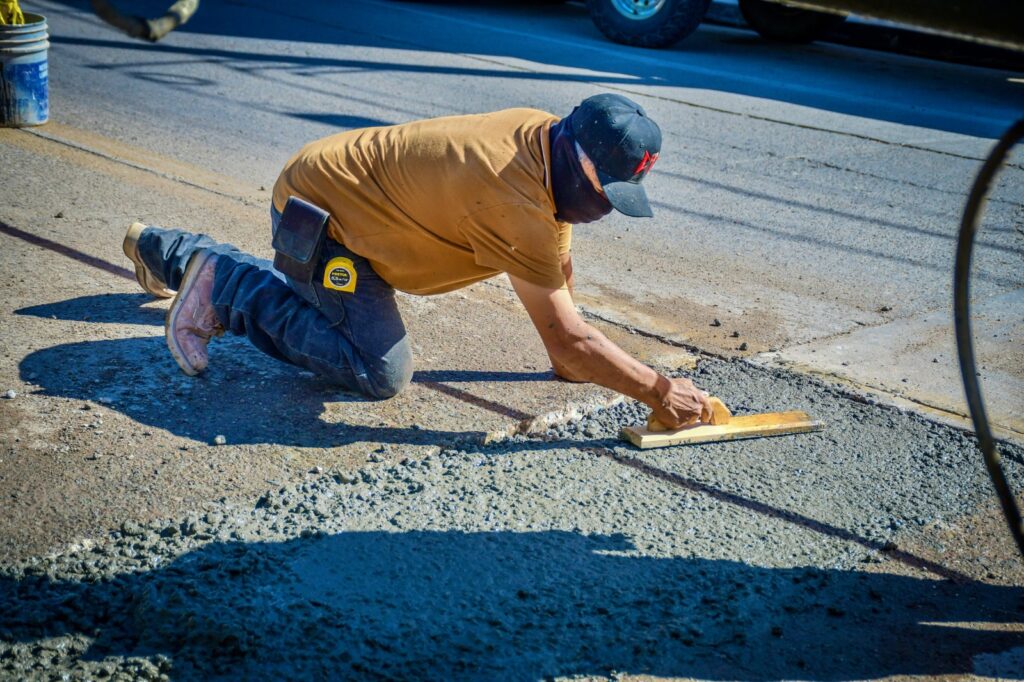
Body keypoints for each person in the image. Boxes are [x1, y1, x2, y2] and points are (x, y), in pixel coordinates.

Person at [122, 93, 714, 428]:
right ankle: (224, 282)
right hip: (324, 218)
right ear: (576, 160)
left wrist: (573, 357)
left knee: (369, 347)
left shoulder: (544, 143)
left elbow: (553, 268)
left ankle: (161, 249)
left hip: (361, 205)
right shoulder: (513, 197)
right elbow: (567, 334)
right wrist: (659, 390)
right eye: (604, 190)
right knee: (379, 371)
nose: (606, 207)